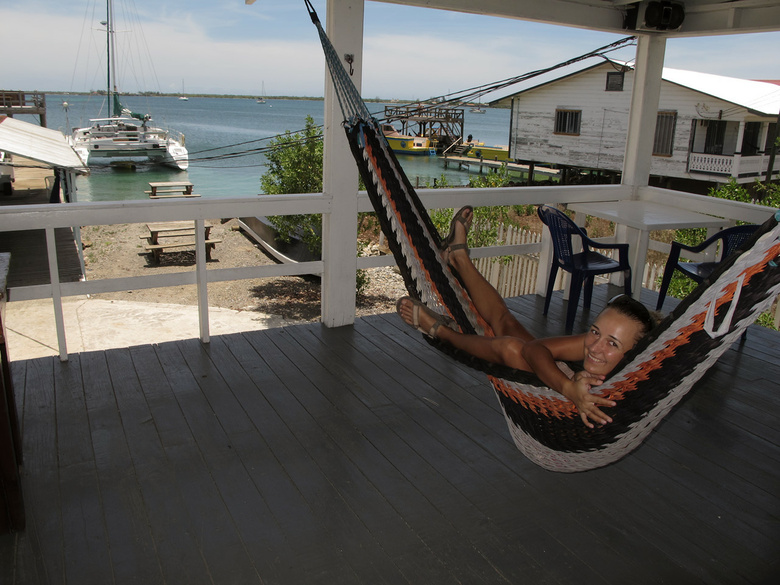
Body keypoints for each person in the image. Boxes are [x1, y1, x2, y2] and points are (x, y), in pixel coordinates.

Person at [396, 205, 655, 428]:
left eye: (613, 343)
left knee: (511, 348)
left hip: (556, 413)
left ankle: (441, 331)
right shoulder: (595, 346)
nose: (596, 347)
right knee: (506, 323)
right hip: (558, 385)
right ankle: (458, 257)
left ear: (636, 355)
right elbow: (536, 349)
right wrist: (569, 387)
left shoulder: (635, 383)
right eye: (596, 331)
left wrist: (574, 391)